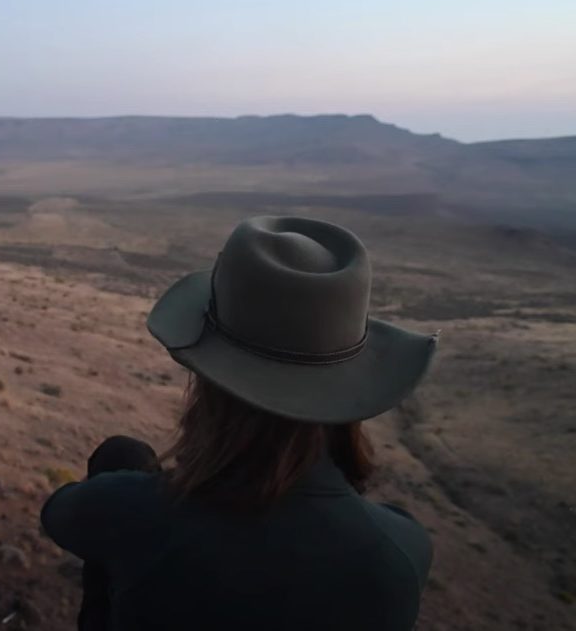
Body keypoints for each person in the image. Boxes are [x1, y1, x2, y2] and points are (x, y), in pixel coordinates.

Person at [42, 216, 438, 631]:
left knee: (122, 454)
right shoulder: (401, 552)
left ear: (209, 379)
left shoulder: (134, 512)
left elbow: (61, 511)